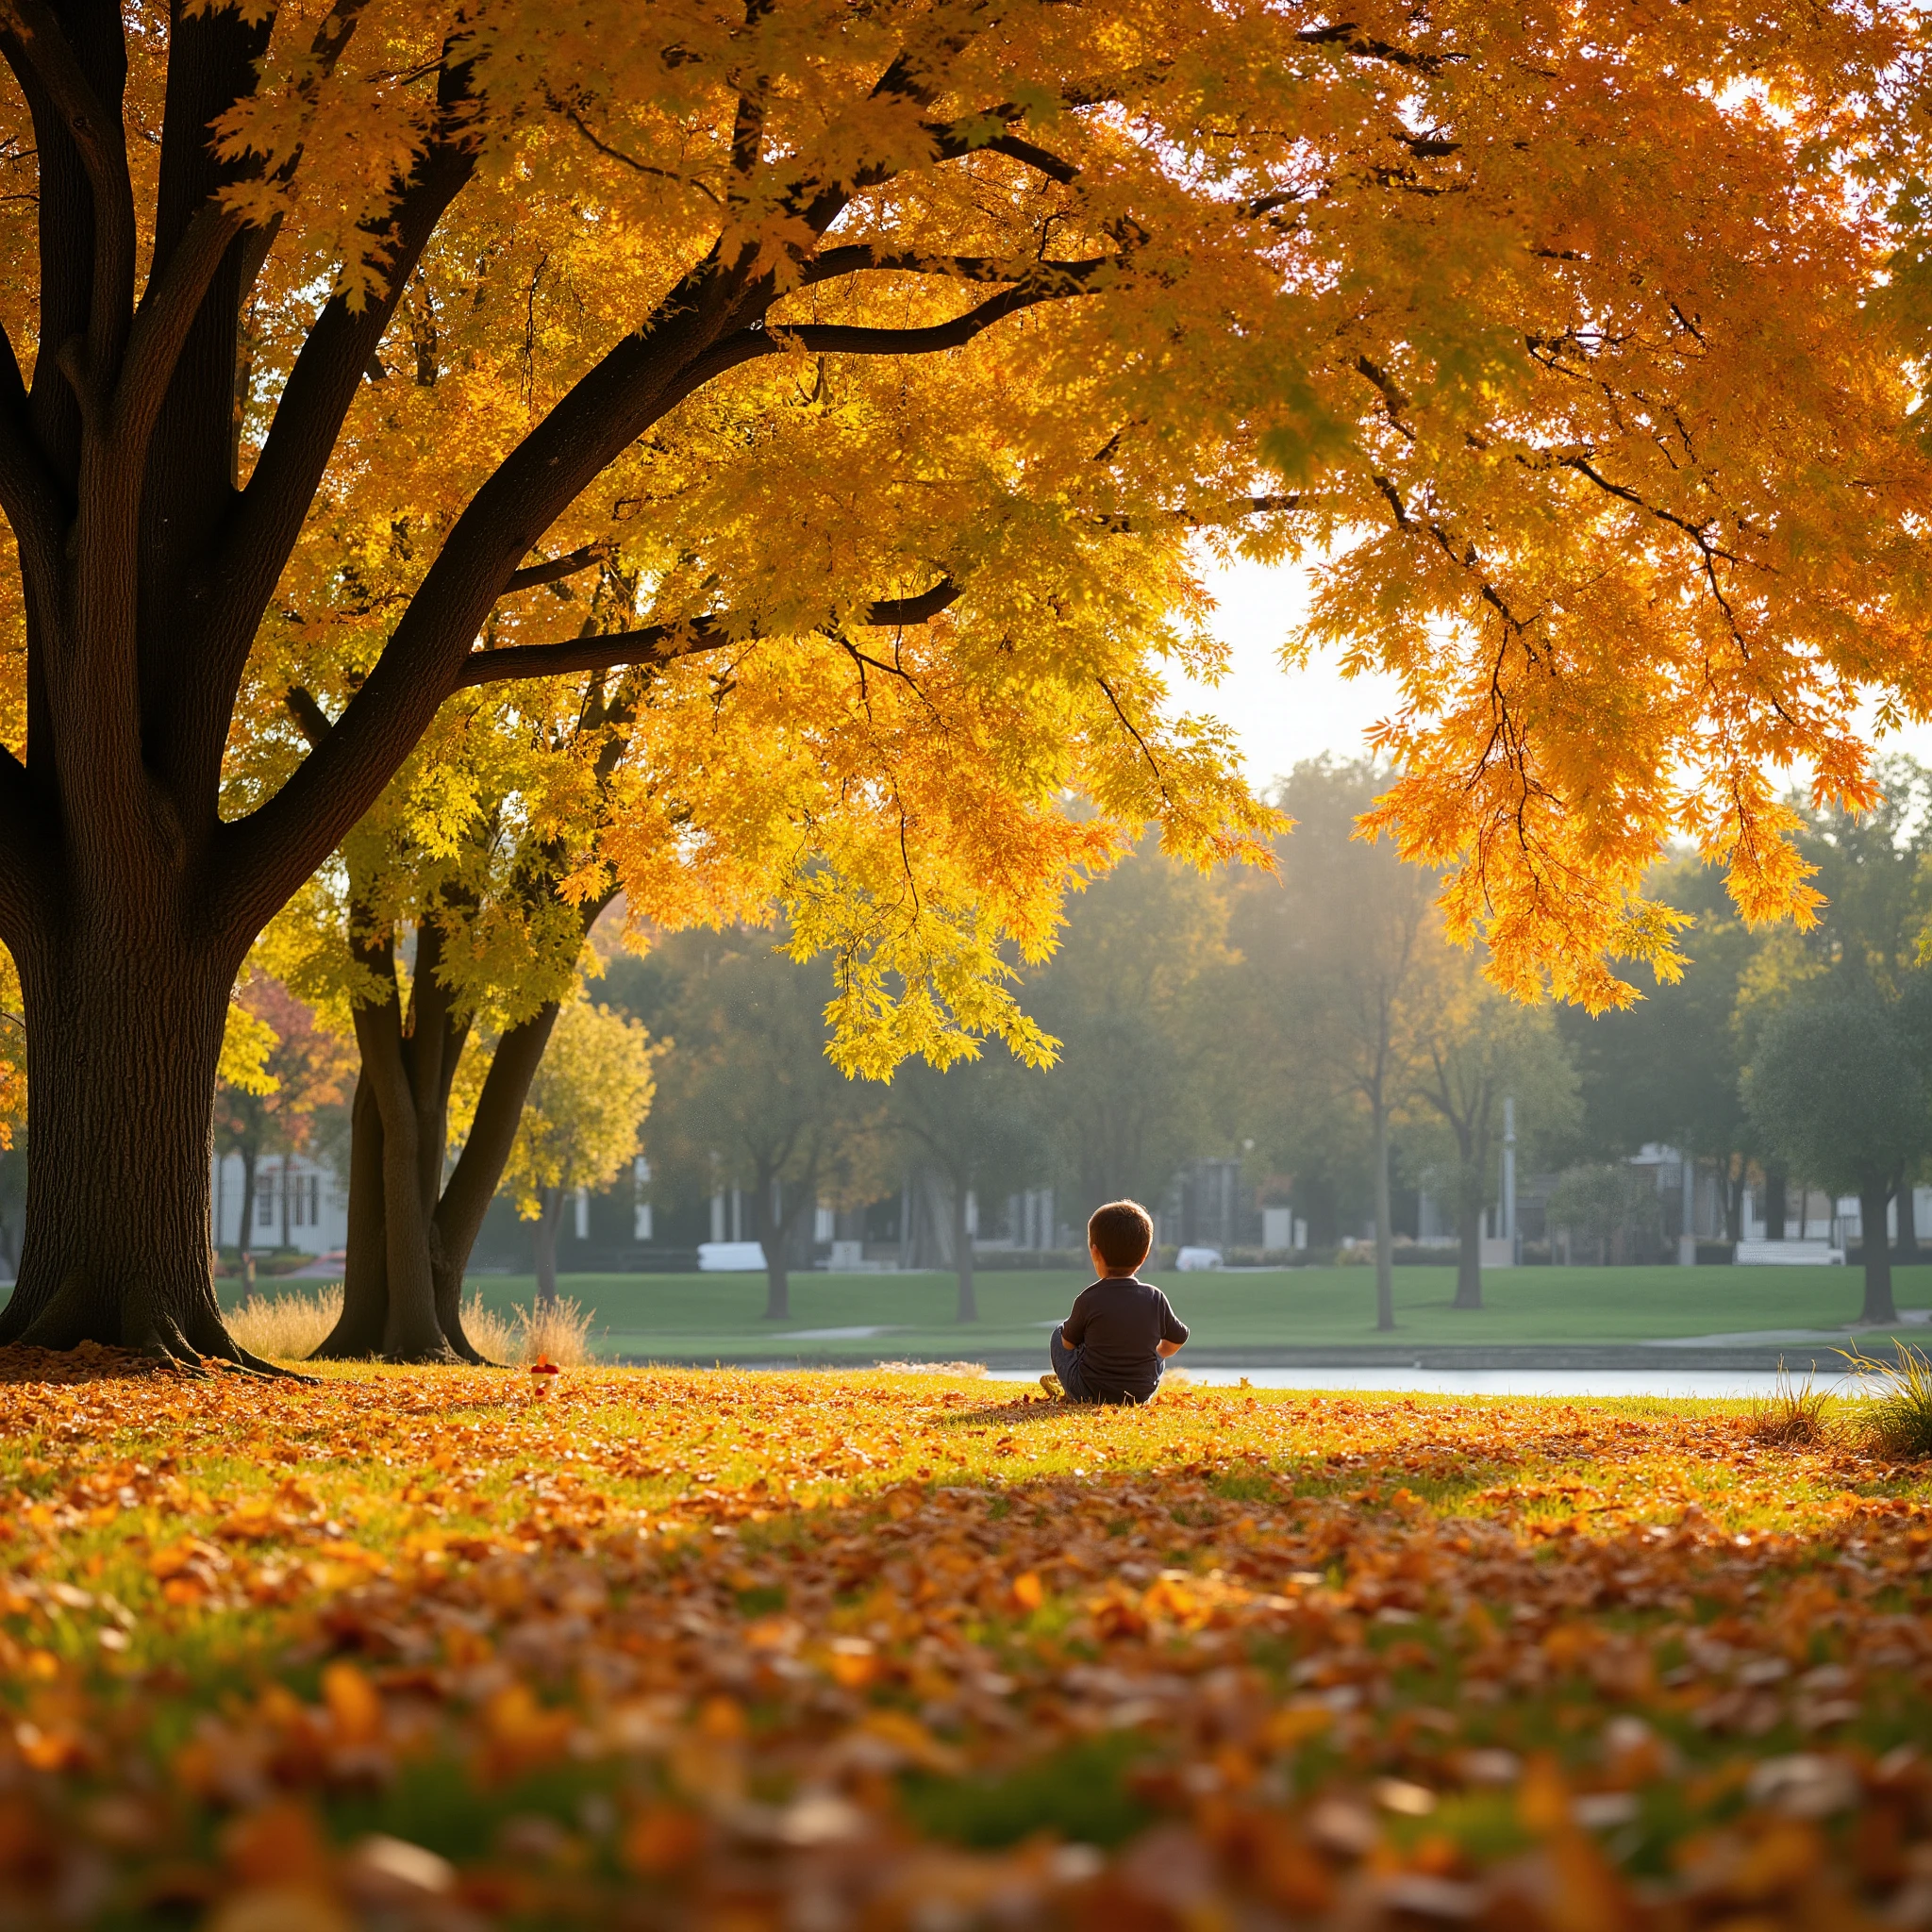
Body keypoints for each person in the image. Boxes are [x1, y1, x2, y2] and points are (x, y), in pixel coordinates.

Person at [1041, 1198, 1188, 1404]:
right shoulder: (1155, 1298)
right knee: (1151, 1354)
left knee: (1059, 1332)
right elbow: (1178, 1338)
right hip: (1140, 1393)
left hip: (1090, 1393)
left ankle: (1068, 1385)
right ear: (1144, 1255)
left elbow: (1067, 1343)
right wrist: (1157, 1355)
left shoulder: (1088, 1299)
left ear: (1095, 1253)